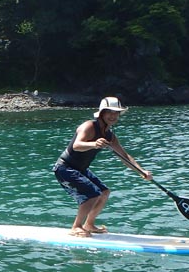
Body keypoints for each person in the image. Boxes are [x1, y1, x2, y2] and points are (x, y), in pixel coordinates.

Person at [53, 96, 151, 237]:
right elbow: (77, 145)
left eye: (116, 112)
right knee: (92, 194)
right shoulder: (88, 126)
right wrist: (94, 144)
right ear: (101, 113)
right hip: (64, 168)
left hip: (80, 169)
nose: (113, 116)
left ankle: (89, 224)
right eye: (109, 112)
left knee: (104, 192)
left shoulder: (110, 136)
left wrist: (141, 171)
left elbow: (125, 156)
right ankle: (76, 227)